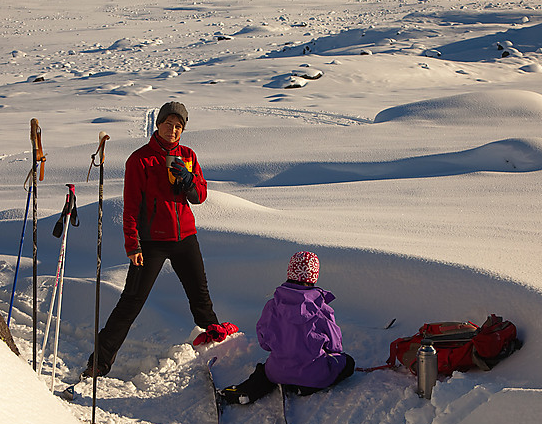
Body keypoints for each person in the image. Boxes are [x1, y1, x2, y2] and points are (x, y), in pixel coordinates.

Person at [84, 101, 236, 378]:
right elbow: (130, 207)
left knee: (201, 300)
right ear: (159, 124)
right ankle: (98, 364)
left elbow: (199, 197)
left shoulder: (188, 155)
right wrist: (133, 244)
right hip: (151, 243)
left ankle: (221, 355)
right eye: (169, 124)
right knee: (131, 303)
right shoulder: (140, 159)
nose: (174, 130)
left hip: (186, 238)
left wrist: (189, 180)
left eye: (179, 126)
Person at [220, 251, 355, 404]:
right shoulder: (322, 309)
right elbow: (335, 346)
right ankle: (306, 388)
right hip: (315, 374)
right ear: (314, 276)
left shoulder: (272, 305)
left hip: (278, 371)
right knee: (348, 363)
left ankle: (248, 390)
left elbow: (264, 343)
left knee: (265, 371)